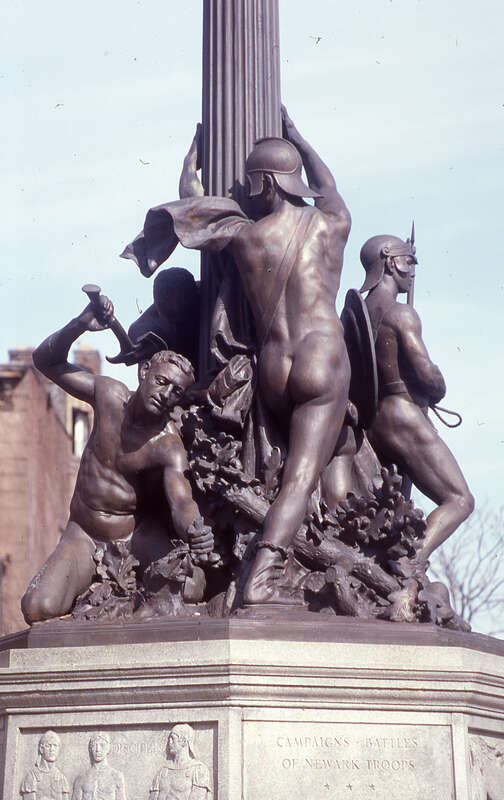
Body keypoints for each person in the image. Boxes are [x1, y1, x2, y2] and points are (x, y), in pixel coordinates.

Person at [122, 107, 351, 604]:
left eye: (255, 183)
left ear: (265, 182)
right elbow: (329, 189)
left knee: (278, 463)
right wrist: (300, 138)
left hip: (272, 368)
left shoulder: (246, 238)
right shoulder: (331, 225)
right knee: (301, 474)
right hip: (321, 356)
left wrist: (192, 160)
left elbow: (194, 208)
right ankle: (261, 575)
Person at [21, 295, 213, 624]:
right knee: (38, 607)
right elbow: (46, 361)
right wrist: (80, 324)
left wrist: (195, 530)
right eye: (162, 382)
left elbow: (182, 501)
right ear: (144, 372)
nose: (166, 394)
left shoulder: (167, 446)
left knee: (192, 587)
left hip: (135, 537)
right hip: (84, 533)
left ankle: (128, 604)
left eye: (176, 391)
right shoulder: (108, 394)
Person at [360, 233, 474, 562]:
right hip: (404, 416)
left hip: (376, 422)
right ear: (389, 260)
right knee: (460, 500)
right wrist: (435, 382)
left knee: (397, 508)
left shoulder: (359, 312)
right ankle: (409, 564)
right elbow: (429, 378)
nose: (412, 270)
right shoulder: (402, 315)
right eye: (409, 260)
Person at [149, 724, 211, 800]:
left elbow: (198, 797)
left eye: (172, 738)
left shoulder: (198, 770)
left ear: (184, 741)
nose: (169, 742)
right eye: (169, 739)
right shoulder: (163, 772)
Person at [71, 733, 126, 800]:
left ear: (108, 748)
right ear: (90, 749)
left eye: (102, 745)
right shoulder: (81, 778)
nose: (98, 750)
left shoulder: (116, 776)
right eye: (94, 745)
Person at [20, 730, 69, 800]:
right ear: (41, 749)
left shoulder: (61, 778)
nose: (52, 749)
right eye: (48, 746)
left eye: (55, 746)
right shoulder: (32, 777)